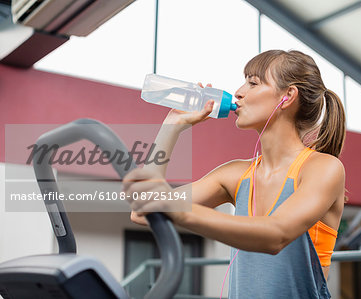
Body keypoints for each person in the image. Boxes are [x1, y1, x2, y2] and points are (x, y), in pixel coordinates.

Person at [123, 49, 346, 298]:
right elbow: (142, 212)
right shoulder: (235, 174)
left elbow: (276, 234)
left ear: (287, 96)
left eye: (253, 83)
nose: (239, 92)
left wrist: (179, 213)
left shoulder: (324, 168)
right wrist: (171, 128)